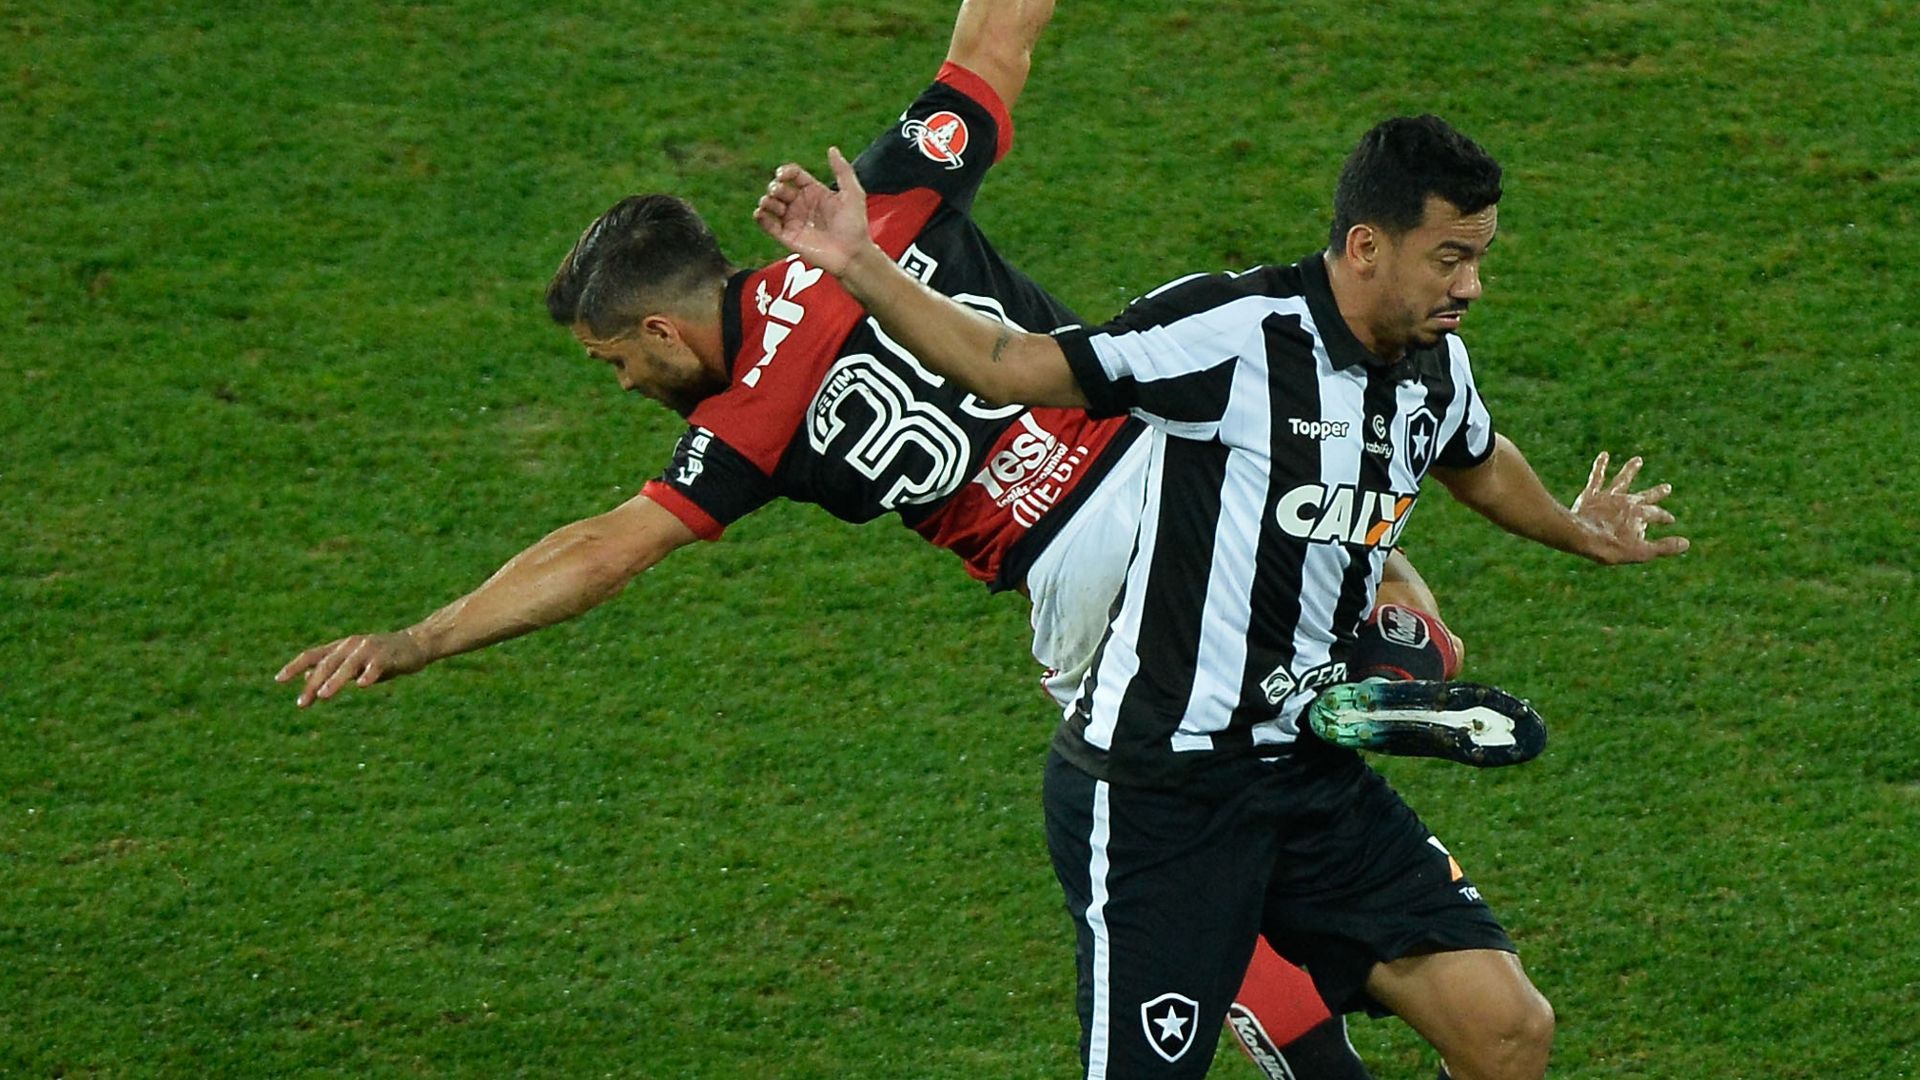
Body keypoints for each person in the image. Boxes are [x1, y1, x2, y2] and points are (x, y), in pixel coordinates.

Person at [274, 3, 1525, 1075]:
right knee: (1351, 536)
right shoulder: (880, 198)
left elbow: (603, 549)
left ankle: (1327, 763)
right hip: (1178, 466)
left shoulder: (747, 420)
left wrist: (421, 636)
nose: (619, 385)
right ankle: (1373, 676)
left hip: (1081, 584)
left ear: (660, 335)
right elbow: (994, 40)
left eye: (613, 364)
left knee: (1177, 812)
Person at [753, 114, 1687, 1078]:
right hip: (1160, 793)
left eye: (1479, 257)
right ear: (1366, 246)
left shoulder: (1433, 363)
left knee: (1507, 1031)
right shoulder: (1231, 332)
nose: (1472, 285)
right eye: (1451, 257)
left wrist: (1577, 530)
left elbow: (1479, 462)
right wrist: (861, 263)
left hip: (1310, 772)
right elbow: (1005, 363)